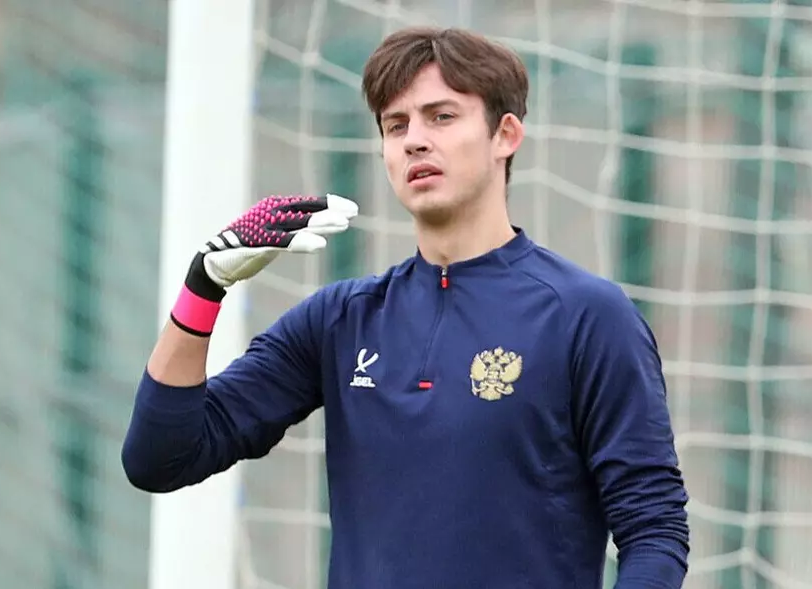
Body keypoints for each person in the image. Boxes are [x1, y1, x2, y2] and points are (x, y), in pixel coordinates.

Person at [122, 26, 690, 589]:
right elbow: (159, 458)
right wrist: (203, 286)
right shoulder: (341, 319)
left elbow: (654, 531)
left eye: (441, 116)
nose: (415, 140)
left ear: (505, 135)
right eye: (396, 125)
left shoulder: (587, 315)